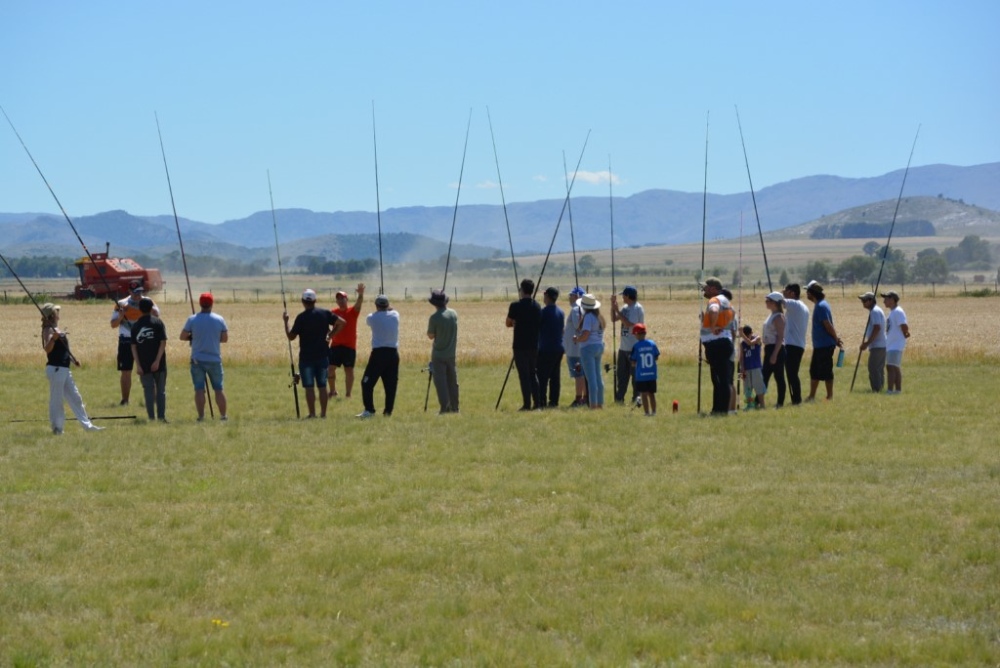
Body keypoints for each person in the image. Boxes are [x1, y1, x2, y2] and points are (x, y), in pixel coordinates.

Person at [41, 303, 103, 434]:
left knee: (76, 397)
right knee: (56, 400)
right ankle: (57, 429)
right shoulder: (48, 330)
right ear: (52, 315)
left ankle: (88, 426)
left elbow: (62, 350)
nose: (58, 313)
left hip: (64, 368)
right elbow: (47, 349)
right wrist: (53, 338)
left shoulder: (55, 328)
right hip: (56, 369)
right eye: (56, 311)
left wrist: (73, 360)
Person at [284, 288, 344, 419]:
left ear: (303, 301)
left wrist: (286, 322)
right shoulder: (324, 313)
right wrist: (330, 335)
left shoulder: (301, 318)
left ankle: (312, 414)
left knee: (309, 387)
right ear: (315, 300)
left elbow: (291, 337)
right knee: (322, 386)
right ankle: (323, 414)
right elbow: (342, 322)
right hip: (323, 357)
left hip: (306, 358)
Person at [180, 292, 230, 421]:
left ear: (200, 304)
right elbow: (224, 339)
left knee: (199, 389)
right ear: (212, 303)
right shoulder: (219, 319)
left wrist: (193, 336)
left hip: (197, 359)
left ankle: (201, 416)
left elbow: (182, 336)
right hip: (214, 359)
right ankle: (223, 416)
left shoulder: (192, 319)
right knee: (219, 389)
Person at [110, 280, 160, 406]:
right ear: (129, 292)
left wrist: (150, 311)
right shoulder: (121, 304)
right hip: (126, 340)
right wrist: (121, 316)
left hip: (143, 340)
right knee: (126, 371)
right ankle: (125, 400)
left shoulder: (148, 302)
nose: (138, 295)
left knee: (148, 370)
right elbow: (113, 325)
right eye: (135, 292)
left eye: (140, 292)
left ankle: (152, 400)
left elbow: (157, 315)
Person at [358, 294, 400, 418]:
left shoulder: (372, 317)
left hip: (378, 354)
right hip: (393, 354)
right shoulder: (396, 315)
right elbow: (392, 309)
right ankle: (388, 412)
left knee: (366, 383)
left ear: (376, 305)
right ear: (387, 305)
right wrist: (387, 307)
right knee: (390, 385)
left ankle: (369, 410)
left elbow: (370, 319)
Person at [700, 277, 735, 415]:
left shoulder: (714, 300)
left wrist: (713, 326)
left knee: (719, 380)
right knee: (722, 379)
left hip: (717, 345)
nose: (704, 289)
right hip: (724, 344)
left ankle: (720, 411)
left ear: (714, 289)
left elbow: (714, 310)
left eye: (706, 287)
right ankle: (719, 410)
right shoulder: (727, 302)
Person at [506, 278, 542, 411]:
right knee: (533, 374)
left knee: (524, 375)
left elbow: (508, 323)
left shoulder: (515, 306)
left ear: (522, 290)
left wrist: (515, 322)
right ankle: (537, 404)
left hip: (519, 345)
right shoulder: (537, 306)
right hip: (534, 345)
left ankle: (527, 404)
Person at [131, 297, 168, 422]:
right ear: (152, 308)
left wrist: (138, 365)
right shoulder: (158, 322)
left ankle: (151, 418)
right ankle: (161, 417)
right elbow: (163, 342)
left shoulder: (135, 325)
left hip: (144, 364)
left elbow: (133, 347)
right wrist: (157, 361)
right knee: (161, 391)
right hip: (160, 364)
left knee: (148, 390)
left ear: (139, 309)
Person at [805, 282, 843, 401]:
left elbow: (827, 325)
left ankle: (829, 396)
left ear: (812, 293)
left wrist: (836, 339)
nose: (806, 294)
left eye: (808, 291)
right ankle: (812, 396)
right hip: (820, 345)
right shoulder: (820, 305)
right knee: (814, 371)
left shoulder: (821, 306)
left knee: (826, 371)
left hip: (825, 345)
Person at [329, 283, 365, 398]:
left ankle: (348, 394)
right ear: (336, 301)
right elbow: (326, 323)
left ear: (347, 299)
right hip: (335, 345)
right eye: (338, 299)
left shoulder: (352, 312)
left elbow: (359, 304)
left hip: (349, 346)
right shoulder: (333, 312)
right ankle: (332, 391)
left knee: (349, 370)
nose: (340, 301)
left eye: (342, 298)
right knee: (330, 369)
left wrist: (360, 294)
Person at [426, 289, 459, 414]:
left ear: (434, 303)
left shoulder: (434, 318)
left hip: (438, 355)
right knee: (452, 381)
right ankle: (455, 408)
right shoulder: (453, 314)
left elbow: (431, 335)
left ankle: (444, 408)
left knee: (441, 383)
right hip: (451, 353)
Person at [611, 285, 645, 406]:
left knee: (635, 376)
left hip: (634, 347)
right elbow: (613, 319)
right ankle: (619, 398)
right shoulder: (625, 307)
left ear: (628, 296)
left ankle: (637, 398)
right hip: (623, 347)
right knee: (622, 375)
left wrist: (617, 311)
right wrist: (613, 306)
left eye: (623, 295)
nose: (622, 298)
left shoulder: (637, 308)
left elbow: (629, 324)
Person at [573, 293, 606, 409]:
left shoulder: (588, 317)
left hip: (588, 349)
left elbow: (586, 335)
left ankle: (593, 405)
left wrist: (577, 339)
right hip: (599, 346)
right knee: (598, 377)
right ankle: (600, 403)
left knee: (591, 379)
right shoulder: (599, 317)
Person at [536, 286, 565, 409]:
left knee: (542, 377)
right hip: (558, 348)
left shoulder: (543, 312)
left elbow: (536, 327)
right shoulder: (561, 312)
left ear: (547, 296)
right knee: (555, 377)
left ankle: (541, 401)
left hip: (546, 348)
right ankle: (553, 401)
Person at [782, 283, 810, 405]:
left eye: (786, 292)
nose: (784, 293)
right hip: (799, 344)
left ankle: (796, 399)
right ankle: (796, 398)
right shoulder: (803, 306)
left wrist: (778, 295)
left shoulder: (794, 304)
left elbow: (780, 301)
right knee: (792, 373)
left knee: (792, 374)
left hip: (792, 345)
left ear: (792, 293)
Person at [563, 286, 588, 407]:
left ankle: (579, 399)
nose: (569, 297)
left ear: (577, 296)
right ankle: (584, 397)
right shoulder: (583, 309)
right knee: (581, 374)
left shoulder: (576, 309)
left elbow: (579, 326)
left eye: (571, 295)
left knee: (578, 374)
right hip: (577, 347)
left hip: (574, 349)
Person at [761, 291, 787, 408]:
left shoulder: (778, 317)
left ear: (775, 303)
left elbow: (780, 337)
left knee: (779, 376)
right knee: (765, 375)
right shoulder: (772, 315)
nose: (766, 303)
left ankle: (780, 402)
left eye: (768, 301)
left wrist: (774, 354)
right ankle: (758, 401)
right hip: (769, 348)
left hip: (776, 349)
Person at [882, 290, 911, 394]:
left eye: (886, 299)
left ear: (892, 300)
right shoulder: (892, 312)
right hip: (892, 344)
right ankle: (897, 390)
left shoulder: (898, 311)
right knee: (894, 366)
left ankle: (890, 390)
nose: (884, 301)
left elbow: (904, 325)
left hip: (895, 344)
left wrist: (905, 333)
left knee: (891, 367)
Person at [857, 291, 886, 392]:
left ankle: (877, 389)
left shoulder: (875, 311)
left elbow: (877, 328)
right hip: (880, 345)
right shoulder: (874, 311)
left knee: (873, 368)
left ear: (871, 301)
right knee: (878, 368)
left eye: (864, 300)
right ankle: (880, 388)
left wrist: (867, 343)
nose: (863, 302)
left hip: (877, 345)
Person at [629, 323, 659, 416]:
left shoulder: (636, 346)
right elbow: (656, 357)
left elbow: (633, 362)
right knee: (651, 394)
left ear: (637, 334)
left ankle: (646, 413)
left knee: (644, 395)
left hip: (641, 376)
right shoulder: (652, 343)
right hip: (651, 374)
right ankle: (654, 412)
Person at [739, 324, 766, 409]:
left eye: (748, 335)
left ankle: (762, 405)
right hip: (746, 368)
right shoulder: (742, 344)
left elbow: (750, 343)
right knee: (747, 388)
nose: (747, 337)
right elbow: (741, 357)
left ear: (751, 333)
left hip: (756, 368)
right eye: (745, 335)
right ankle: (749, 405)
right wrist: (742, 368)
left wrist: (742, 334)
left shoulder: (757, 338)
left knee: (759, 387)